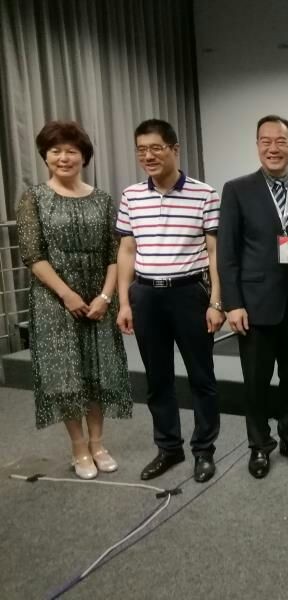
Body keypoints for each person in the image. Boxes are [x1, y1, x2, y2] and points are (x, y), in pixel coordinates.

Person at [17, 120, 132, 479]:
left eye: (71, 151)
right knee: (66, 376)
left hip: (99, 299)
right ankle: (79, 447)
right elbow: (32, 255)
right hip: (54, 301)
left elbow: (115, 254)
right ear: (45, 156)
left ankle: (98, 443)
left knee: (98, 372)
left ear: (84, 156)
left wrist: (106, 296)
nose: (64, 158)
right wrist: (67, 295)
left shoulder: (103, 199)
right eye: (56, 151)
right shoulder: (34, 198)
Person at [116, 119, 224, 483]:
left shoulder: (205, 194)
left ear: (174, 149)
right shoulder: (131, 195)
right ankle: (168, 448)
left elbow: (214, 252)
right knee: (157, 378)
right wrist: (125, 302)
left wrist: (216, 302)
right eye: (141, 150)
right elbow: (127, 250)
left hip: (189, 293)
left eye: (155, 148)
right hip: (146, 295)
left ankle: (204, 450)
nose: (148, 156)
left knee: (202, 377)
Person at [218, 115, 288, 479]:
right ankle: (259, 445)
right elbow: (227, 253)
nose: (273, 148)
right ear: (257, 146)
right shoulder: (237, 189)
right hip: (254, 304)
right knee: (256, 382)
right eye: (266, 141)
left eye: (281, 141)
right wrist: (233, 303)